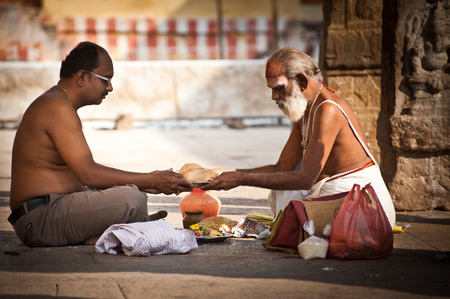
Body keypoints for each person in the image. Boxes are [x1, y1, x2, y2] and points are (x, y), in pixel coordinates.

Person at [8, 41, 193, 247]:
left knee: (131, 191)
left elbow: (86, 176)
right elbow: (88, 173)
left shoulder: (59, 102)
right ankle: (121, 230)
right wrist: (151, 180)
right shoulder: (56, 107)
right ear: (81, 77)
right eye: (106, 79)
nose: (110, 87)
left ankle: (114, 231)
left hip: (50, 212)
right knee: (132, 199)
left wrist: (142, 182)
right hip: (39, 220)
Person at [202, 47, 396, 228]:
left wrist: (240, 179)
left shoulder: (328, 109)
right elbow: (282, 168)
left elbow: (304, 179)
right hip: (333, 196)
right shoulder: (305, 109)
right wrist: (227, 171)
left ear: (301, 81)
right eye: (271, 89)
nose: (274, 97)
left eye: (279, 88)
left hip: (366, 207)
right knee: (282, 189)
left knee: (289, 194)